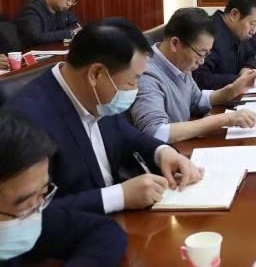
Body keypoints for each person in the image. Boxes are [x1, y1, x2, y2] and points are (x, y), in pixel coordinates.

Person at [5, 18, 203, 215]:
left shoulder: (97, 96)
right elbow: (28, 213)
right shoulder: (26, 120)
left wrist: (162, 153)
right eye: (132, 81)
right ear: (96, 74)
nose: (135, 89)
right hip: (79, 228)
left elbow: (126, 135)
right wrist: (118, 197)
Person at [0, 111, 126, 266]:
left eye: (43, 193)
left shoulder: (29, 212)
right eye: (24, 203)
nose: (37, 209)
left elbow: (104, 231)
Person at [131, 8, 256, 143]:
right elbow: (156, 132)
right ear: (175, 43)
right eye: (200, 54)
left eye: (206, 54)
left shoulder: (179, 64)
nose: (202, 61)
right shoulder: (146, 74)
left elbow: (196, 100)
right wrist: (225, 119)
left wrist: (234, 89)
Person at [193, 0, 256, 90]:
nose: (254, 31)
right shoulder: (207, 34)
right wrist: (241, 80)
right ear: (234, 14)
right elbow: (200, 79)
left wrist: (247, 67)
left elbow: (252, 53)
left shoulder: (240, 31)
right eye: (252, 23)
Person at [14, 0, 82, 48]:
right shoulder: (31, 9)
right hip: (29, 52)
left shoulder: (62, 9)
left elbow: (78, 25)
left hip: (53, 50)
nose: (69, 4)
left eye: (72, 1)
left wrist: (62, 34)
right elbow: (37, 37)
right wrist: (69, 33)